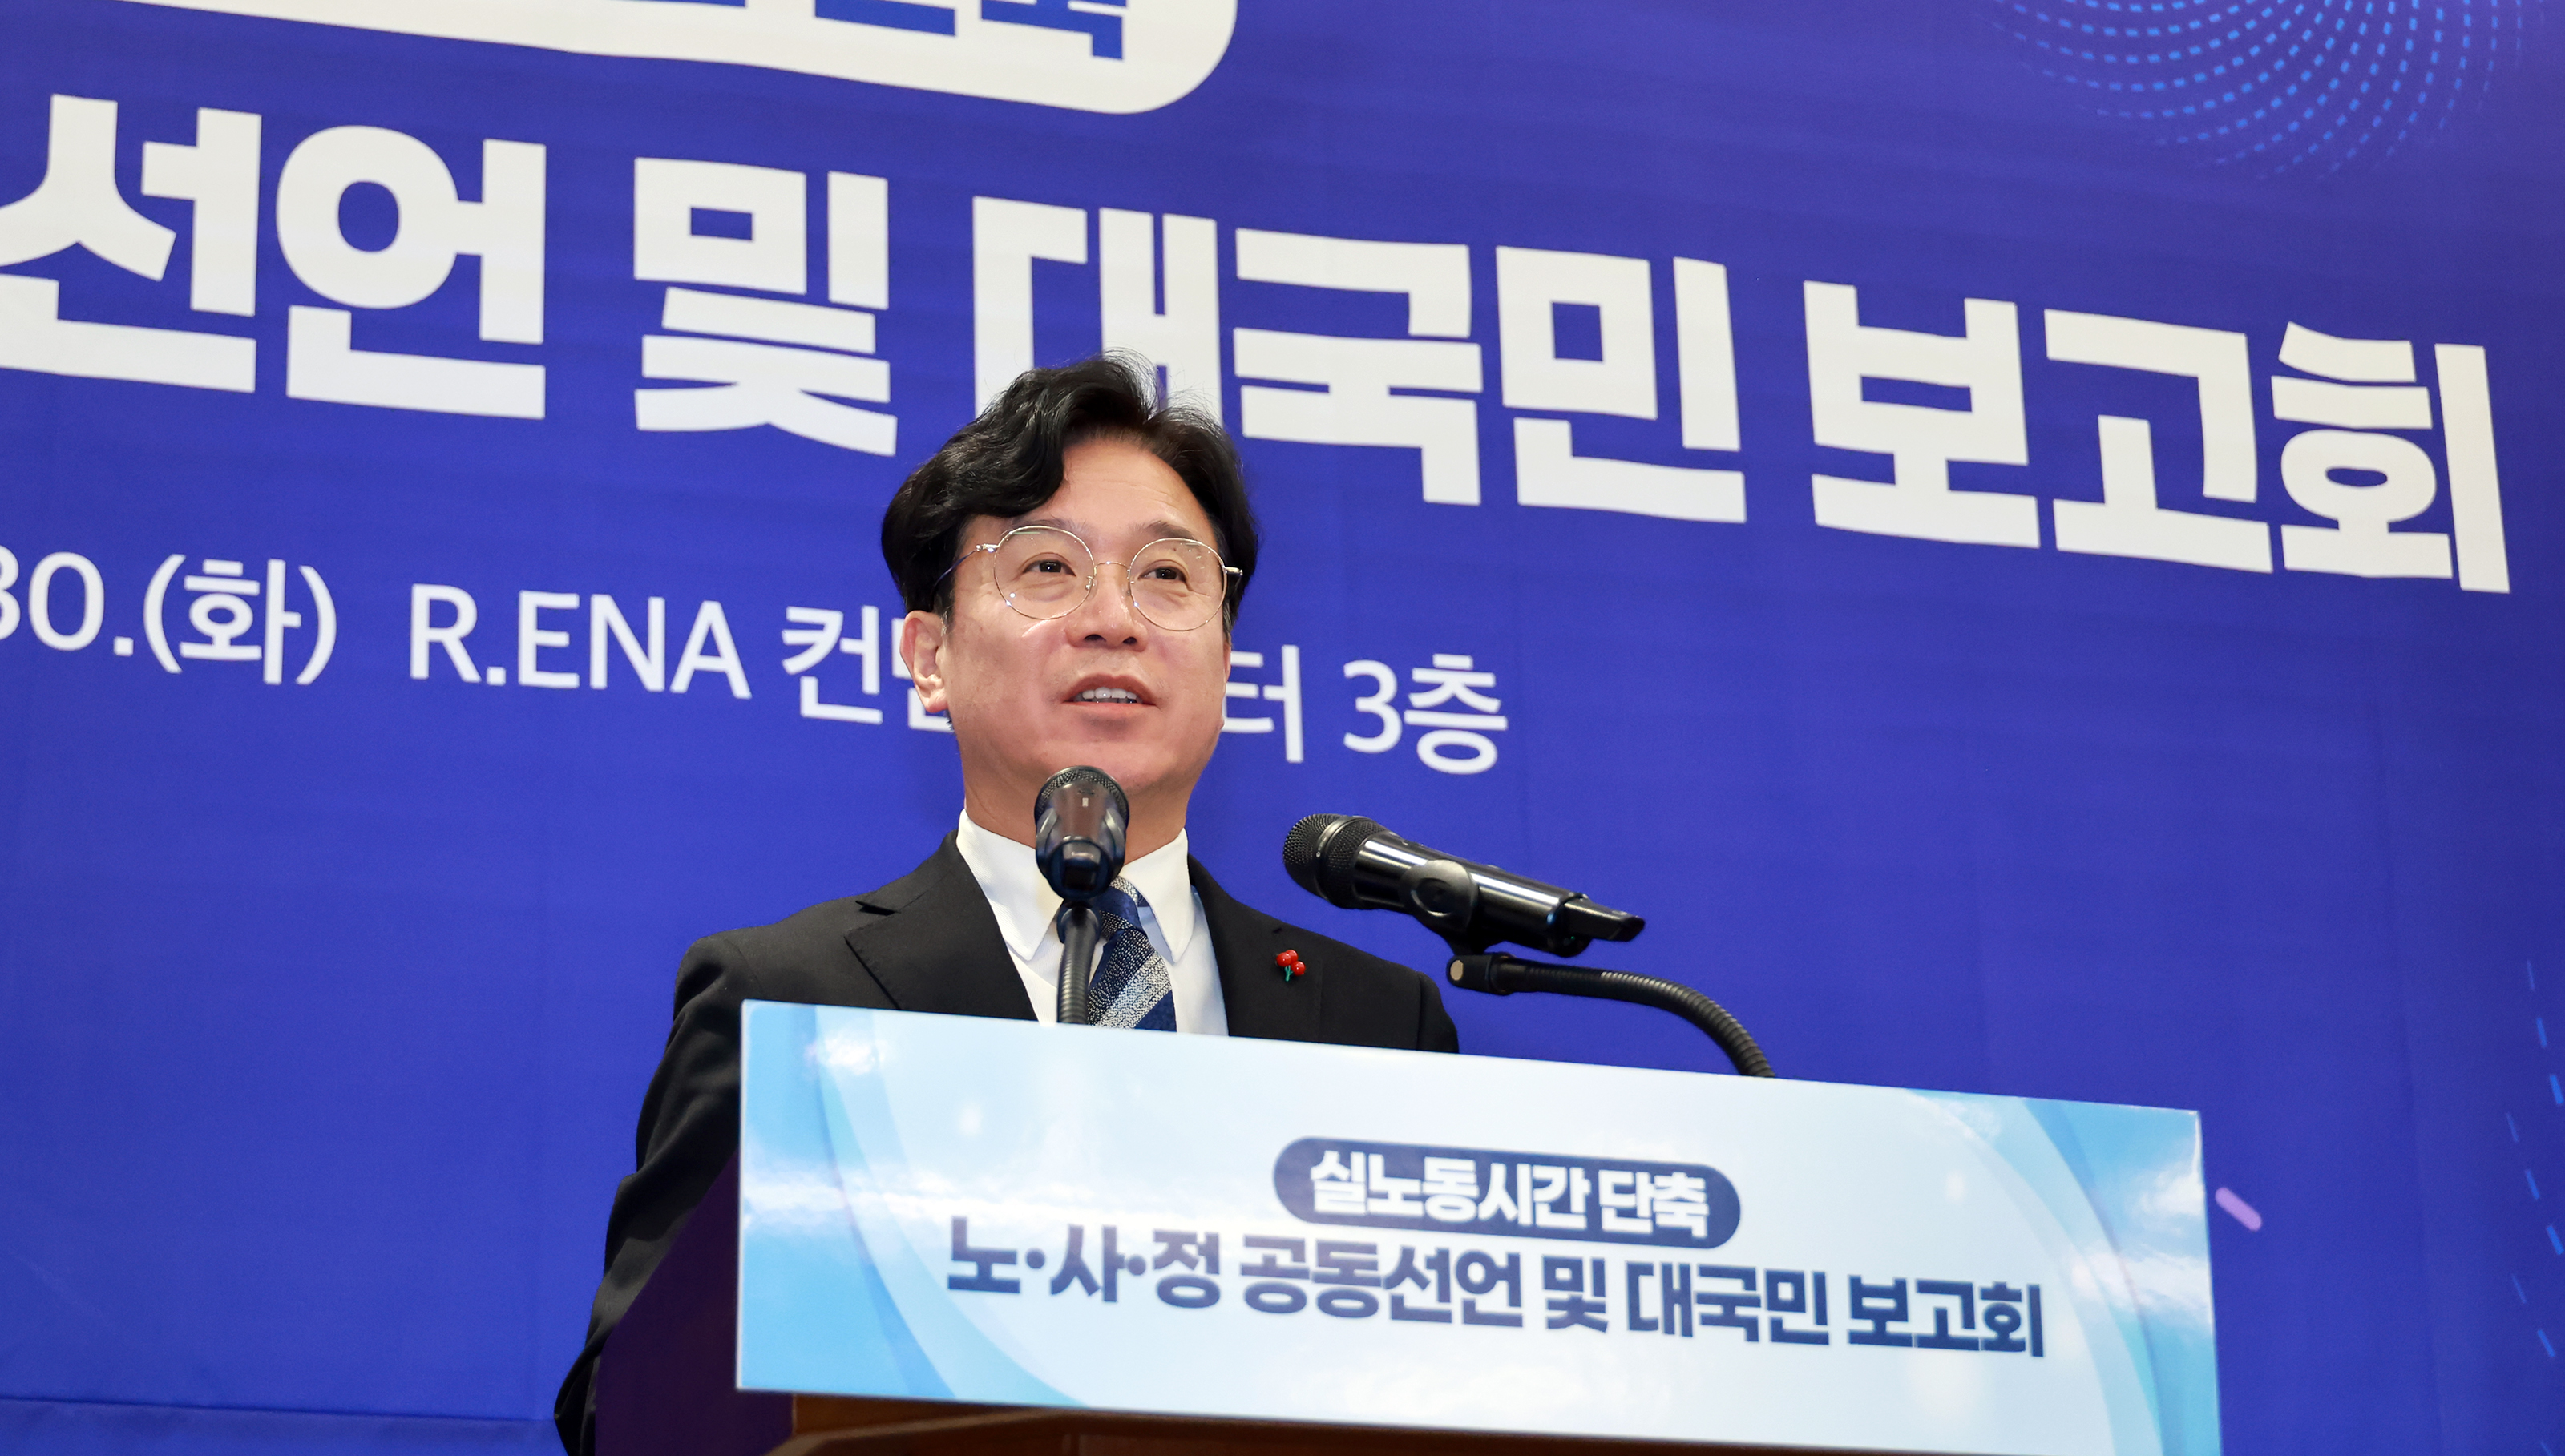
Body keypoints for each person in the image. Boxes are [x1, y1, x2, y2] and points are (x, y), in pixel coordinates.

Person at [553, 354, 1459, 1455]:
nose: (1114, 618)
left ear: (1227, 660)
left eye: (1168, 576)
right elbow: (630, 1407)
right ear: (929, 655)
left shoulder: (1381, 1027)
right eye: (1048, 567)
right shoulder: (789, 999)